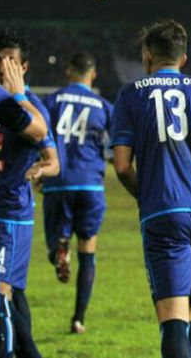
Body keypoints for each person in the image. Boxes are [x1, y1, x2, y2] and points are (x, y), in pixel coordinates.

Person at [110, 20, 191, 358]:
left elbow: (122, 165)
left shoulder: (130, 95)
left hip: (164, 213)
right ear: (183, 59)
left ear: (147, 56)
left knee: (172, 320)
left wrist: (148, 194)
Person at [0, 30, 59, 358]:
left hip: (11, 213)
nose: (5, 67)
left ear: (24, 68)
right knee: (10, 295)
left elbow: (53, 160)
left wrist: (40, 171)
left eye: (12, 62)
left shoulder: (29, 107)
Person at [42, 52, 113, 334]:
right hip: (90, 185)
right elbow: (116, 145)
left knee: (54, 245)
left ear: (68, 71)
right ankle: (78, 319)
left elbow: (39, 136)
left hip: (58, 181)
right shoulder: (104, 106)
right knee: (88, 250)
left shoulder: (50, 101)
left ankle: (60, 247)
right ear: (93, 74)